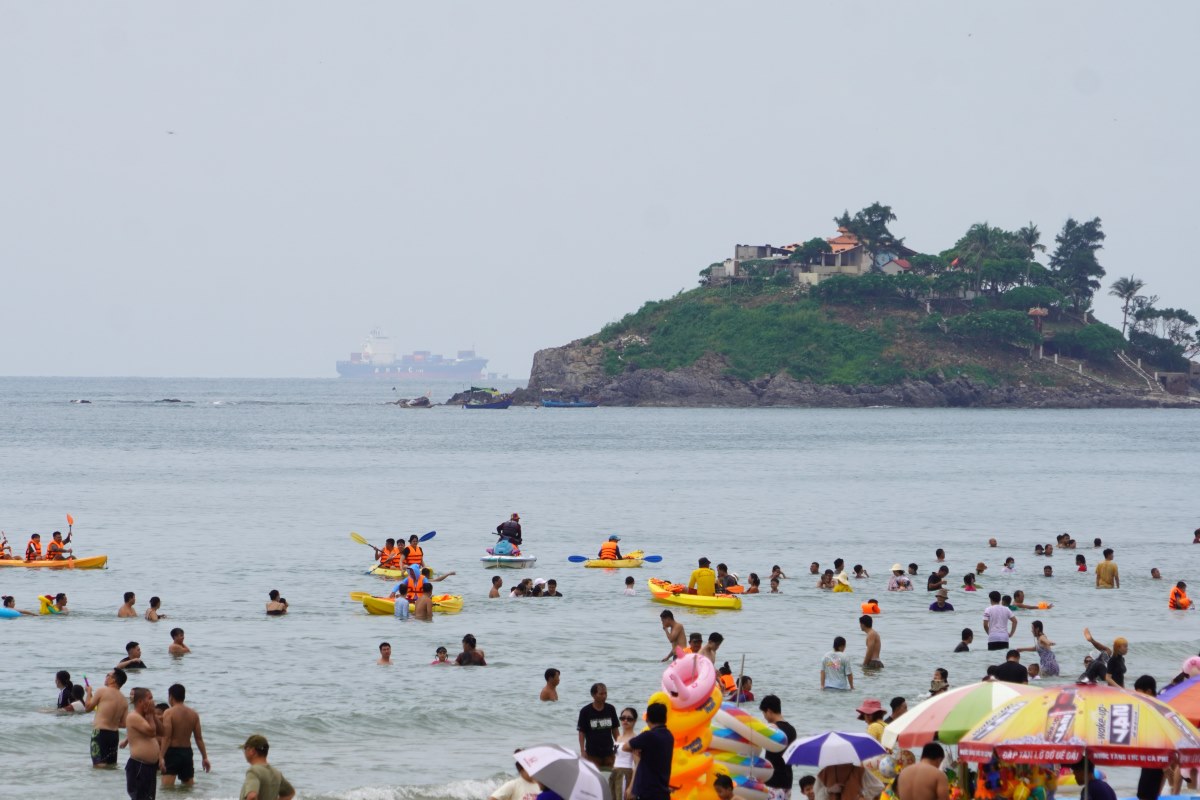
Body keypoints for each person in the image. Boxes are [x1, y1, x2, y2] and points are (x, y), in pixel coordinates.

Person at [159, 683, 210, 788]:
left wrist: (161, 756)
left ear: (171, 697)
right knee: (188, 789)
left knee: (166, 789)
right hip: (187, 753)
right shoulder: (194, 714)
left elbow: (167, 737)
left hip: (172, 753)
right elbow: (199, 738)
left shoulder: (169, 713)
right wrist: (205, 757)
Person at [624, 701, 674, 800]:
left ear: (648, 719)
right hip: (663, 789)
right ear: (665, 718)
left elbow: (626, 746)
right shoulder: (669, 736)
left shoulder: (648, 736)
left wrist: (638, 754)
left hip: (648, 791)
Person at [124, 687, 162, 800]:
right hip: (139, 765)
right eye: (150, 698)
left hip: (150, 766)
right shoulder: (133, 716)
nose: (152, 701)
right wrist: (150, 716)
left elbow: (163, 732)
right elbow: (151, 732)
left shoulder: (146, 717)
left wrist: (153, 715)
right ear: (140, 701)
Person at [85, 668, 128, 768]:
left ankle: (100, 783)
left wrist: (88, 692)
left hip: (100, 733)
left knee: (99, 765)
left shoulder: (102, 691)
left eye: (108, 675)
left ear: (113, 680)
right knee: (111, 765)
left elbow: (87, 708)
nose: (106, 677)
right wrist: (110, 722)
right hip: (114, 735)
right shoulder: (124, 699)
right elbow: (124, 724)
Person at [759, 694, 797, 800]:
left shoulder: (772, 729)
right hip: (787, 779)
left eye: (764, 713)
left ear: (769, 711)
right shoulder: (792, 729)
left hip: (773, 780)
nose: (764, 717)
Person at [239, 734, 295, 800]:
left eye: (245, 749)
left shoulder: (253, 771)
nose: (244, 752)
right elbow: (290, 793)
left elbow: (252, 796)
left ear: (252, 751)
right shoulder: (276, 773)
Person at [577, 682, 619, 769]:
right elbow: (582, 732)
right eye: (601, 694)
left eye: (605, 693)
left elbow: (615, 730)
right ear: (593, 695)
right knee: (594, 778)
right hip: (592, 753)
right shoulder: (585, 711)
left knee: (611, 778)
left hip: (609, 752)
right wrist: (582, 751)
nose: (604, 696)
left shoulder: (610, 709)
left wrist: (619, 747)